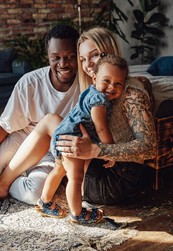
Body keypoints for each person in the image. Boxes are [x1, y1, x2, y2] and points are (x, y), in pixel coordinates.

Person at [0, 27, 156, 207]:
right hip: (102, 170)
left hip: (113, 181)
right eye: (83, 59)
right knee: (60, 128)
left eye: (95, 55)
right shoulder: (97, 88)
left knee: (52, 121)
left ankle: (5, 184)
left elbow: (150, 148)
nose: (88, 64)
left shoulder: (129, 92)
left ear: (110, 52)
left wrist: (98, 150)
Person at [35, 54, 128, 223]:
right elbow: (101, 128)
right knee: (76, 178)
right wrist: (110, 152)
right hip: (72, 139)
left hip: (61, 135)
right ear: (94, 78)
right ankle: (77, 214)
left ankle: (44, 202)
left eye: (118, 83)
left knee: (59, 170)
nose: (111, 87)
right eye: (106, 80)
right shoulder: (99, 101)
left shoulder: (90, 92)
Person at [0, 24, 80, 203]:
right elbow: (5, 126)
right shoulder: (29, 82)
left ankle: (8, 182)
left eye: (69, 57)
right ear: (48, 57)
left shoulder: (86, 87)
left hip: (51, 149)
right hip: (21, 138)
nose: (63, 64)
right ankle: (13, 174)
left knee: (35, 193)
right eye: (56, 58)